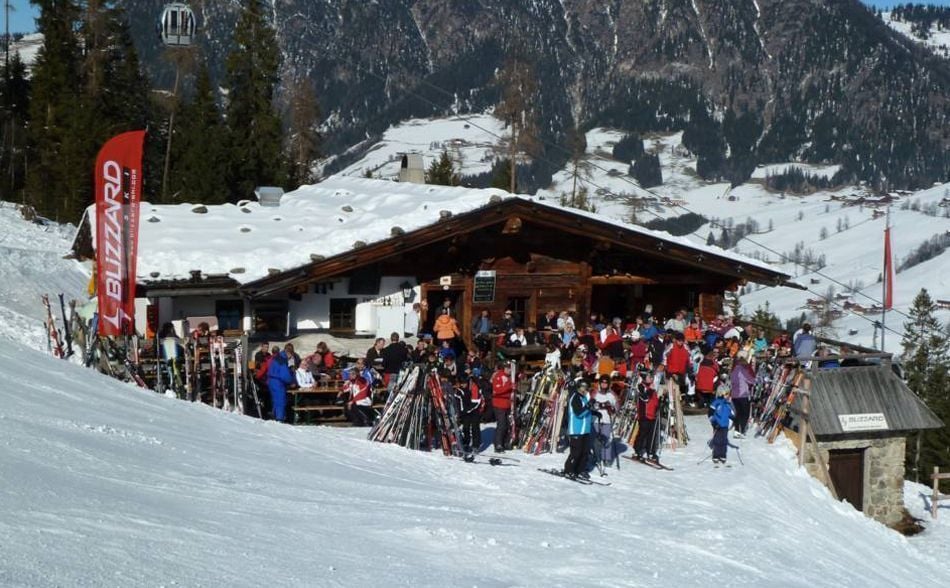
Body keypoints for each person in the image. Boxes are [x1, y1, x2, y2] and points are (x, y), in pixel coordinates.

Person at [563, 381, 594, 480]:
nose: (585, 390)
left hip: (584, 430)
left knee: (585, 452)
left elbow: (586, 410)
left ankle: (579, 470)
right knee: (576, 452)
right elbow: (579, 413)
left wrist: (595, 413)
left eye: (586, 388)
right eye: (583, 388)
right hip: (576, 429)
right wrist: (588, 406)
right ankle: (569, 470)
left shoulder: (583, 398)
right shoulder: (575, 398)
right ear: (578, 388)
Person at [591, 376, 618, 469]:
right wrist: (600, 405)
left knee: (606, 440)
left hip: (606, 420)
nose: (604, 384)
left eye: (606, 383)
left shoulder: (611, 395)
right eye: (602, 382)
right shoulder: (595, 393)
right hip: (596, 420)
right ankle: (596, 457)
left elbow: (616, 407)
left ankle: (606, 458)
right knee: (595, 441)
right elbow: (591, 405)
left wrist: (611, 408)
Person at [634, 372, 660, 462]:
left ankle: (651, 452)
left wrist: (659, 405)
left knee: (652, 435)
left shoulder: (652, 387)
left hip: (652, 414)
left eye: (652, 377)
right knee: (643, 433)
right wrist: (650, 390)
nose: (651, 378)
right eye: (649, 377)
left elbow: (655, 400)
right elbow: (645, 398)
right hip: (644, 414)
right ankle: (637, 451)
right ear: (644, 378)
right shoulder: (641, 386)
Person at [454, 376, 484, 454]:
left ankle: (476, 446)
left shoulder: (474, 387)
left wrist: (467, 410)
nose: (463, 385)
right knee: (466, 427)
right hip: (467, 409)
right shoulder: (461, 388)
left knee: (475, 427)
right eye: (461, 384)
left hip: (475, 409)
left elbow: (476, 402)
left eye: (464, 383)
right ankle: (466, 443)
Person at [729, 356, 755, 438]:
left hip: (734, 395)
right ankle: (742, 430)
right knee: (745, 413)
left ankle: (737, 430)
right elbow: (751, 380)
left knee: (738, 413)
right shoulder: (743, 370)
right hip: (743, 394)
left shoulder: (733, 371)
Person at [491, 363, 513, 452]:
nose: (509, 370)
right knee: (501, 424)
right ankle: (498, 444)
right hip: (499, 404)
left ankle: (505, 442)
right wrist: (509, 387)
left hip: (507, 404)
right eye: (507, 368)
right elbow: (497, 390)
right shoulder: (498, 376)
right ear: (504, 368)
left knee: (508, 424)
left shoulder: (509, 377)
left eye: (510, 368)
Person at [266, 351, 295, 423]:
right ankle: (279, 418)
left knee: (275, 400)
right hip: (278, 383)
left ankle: (274, 415)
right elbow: (285, 376)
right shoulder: (282, 361)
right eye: (291, 357)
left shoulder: (276, 358)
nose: (290, 359)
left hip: (271, 381)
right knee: (280, 401)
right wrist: (291, 381)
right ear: (289, 354)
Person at [709, 389, 735, 464]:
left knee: (724, 440)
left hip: (725, 425)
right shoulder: (716, 403)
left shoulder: (727, 404)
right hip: (717, 425)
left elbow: (729, 413)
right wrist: (714, 422)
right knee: (717, 440)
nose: (728, 396)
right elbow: (710, 414)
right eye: (727, 394)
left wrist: (733, 417)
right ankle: (716, 455)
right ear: (722, 394)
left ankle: (722, 455)